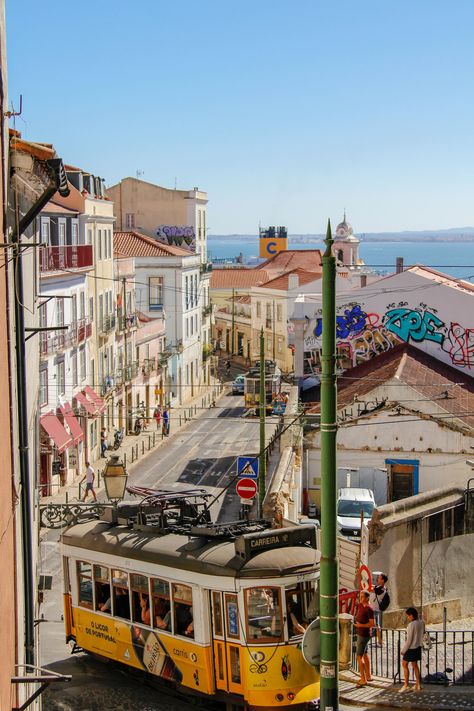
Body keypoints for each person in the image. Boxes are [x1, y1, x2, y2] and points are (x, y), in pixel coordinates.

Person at [399, 607, 424, 693]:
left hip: (411, 648)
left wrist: (403, 650)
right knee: (415, 665)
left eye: (408, 616)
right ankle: (418, 684)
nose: (408, 618)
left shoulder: (411, 625)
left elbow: (409, 640)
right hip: (418, 647)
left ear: (412, 615)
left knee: (404, 664)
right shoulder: (421, 622)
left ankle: (406, 685)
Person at [354, 590, 374, 688]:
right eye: (360, 596)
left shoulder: (369, 609)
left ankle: (363, 679)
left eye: (362, 597)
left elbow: (371, 624)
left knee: (359, 656)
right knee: (365, 654)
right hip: (360, 633)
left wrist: (360, 625)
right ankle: (368, 676)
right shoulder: (361, 605)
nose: (360, 598)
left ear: (367, 598)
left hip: (363, 635)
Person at [370, 573, 389, 646]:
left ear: (383, 580)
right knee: (375, 625)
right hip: (373, 608)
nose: (377, 579)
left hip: (375, 609)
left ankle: (380, 641)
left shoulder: (381, 589)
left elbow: (372, 589)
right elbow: (373, 587)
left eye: (379, 578)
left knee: (376, 625)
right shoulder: (379, 587)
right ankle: (379, 641)